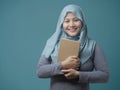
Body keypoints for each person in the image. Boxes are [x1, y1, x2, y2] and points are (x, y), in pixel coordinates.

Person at [36, 4, 109, 90]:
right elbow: (40, 72)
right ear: (61, 23)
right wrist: (63, 65)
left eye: (76, 20)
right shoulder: (52, 43)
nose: (71, 24)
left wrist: (79, 75)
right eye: (67, 21)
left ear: (82, 21)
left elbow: (105, 76)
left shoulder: (92, 45)